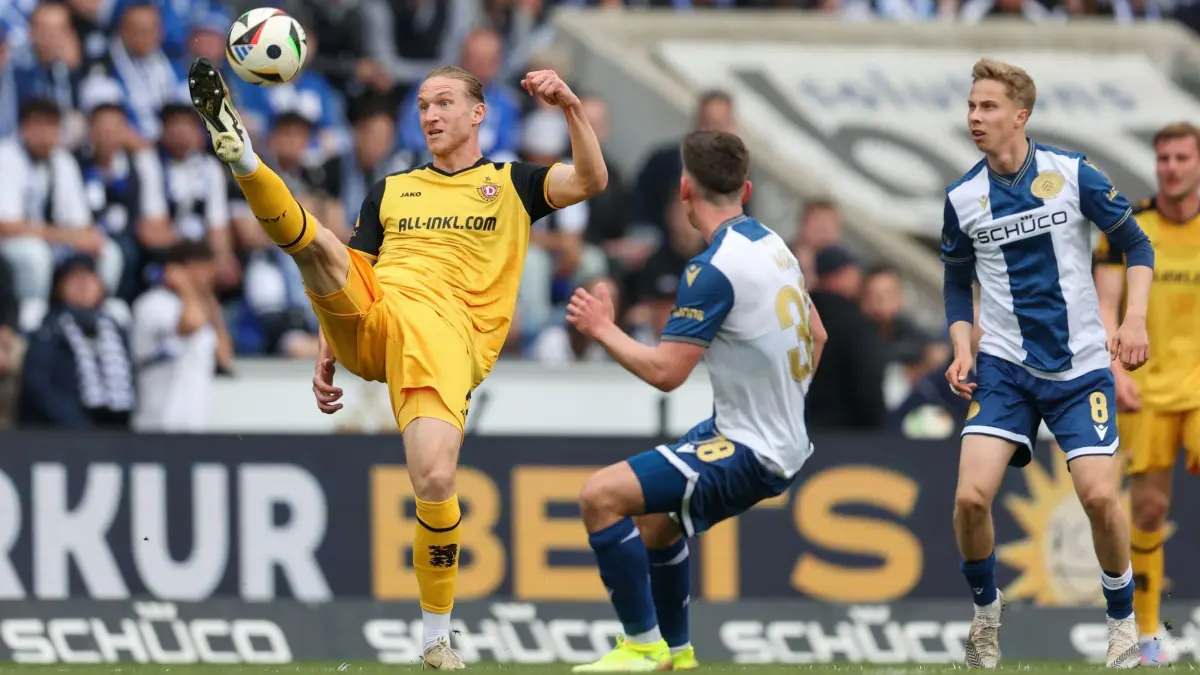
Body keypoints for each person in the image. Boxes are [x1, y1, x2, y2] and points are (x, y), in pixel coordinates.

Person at [184, 57, 607, 669]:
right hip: (379, 315)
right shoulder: (391, 189)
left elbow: (591, 180)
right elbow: (354, 270)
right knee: (319, 246)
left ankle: (436, 639)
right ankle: (243, 155)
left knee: (434, 480)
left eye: (443, 103)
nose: (430, 115)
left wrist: (570, 106)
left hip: (446, 340)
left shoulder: (513, 183)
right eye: (423, 106)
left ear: (478, 113)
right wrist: (329, 342)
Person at [565, 129, 827, 672]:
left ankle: (642, 645)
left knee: (600, 497)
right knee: (657, 524)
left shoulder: (712, 268)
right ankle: (677, 653)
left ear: (684, 188)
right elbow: (818, 335)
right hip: (774, 436)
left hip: (751, 447)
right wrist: (780, 404)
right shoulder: (774, 246)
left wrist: (602, 328)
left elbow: (667, 374)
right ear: (745, 190)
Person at [940, 58, 1153, 669]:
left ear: (1020, 116)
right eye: (971, 105)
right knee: (970, 499)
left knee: (1099, 498)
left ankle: (1121, 624)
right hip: (1005, 369)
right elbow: (955, 282)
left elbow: (1136, 243)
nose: (975, 116)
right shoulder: (963, 198)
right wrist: (962, 346)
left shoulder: (1072, 173)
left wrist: (1134, 320)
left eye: (987, 106)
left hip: (1080, 367)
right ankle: (987, 615)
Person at [1094, 121, 1200, 666]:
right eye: (1165, 159)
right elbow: (1105, 303)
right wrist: (1114, 370)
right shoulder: (1127, 225)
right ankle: (1150, 636)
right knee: (1150, 510)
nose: (1172, 168)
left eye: (1182, 158)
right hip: (1149, 386)